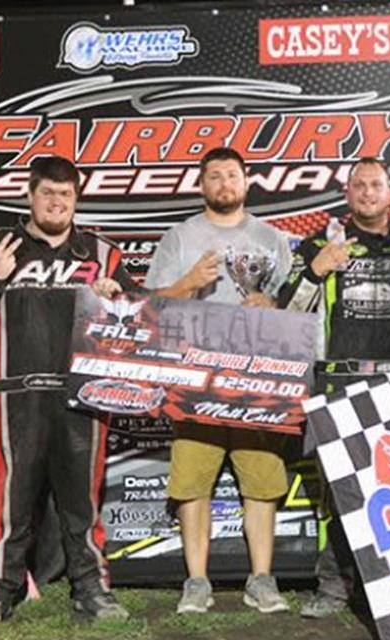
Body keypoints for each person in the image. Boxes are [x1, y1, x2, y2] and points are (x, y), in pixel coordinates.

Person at [278, 157, 390, 618]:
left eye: (376, 184)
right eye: (358, 185)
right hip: (335, 382)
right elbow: (285, 312)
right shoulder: (318, 245)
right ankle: (334, 586)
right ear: (347, 193)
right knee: (340, 491)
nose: (367, 192)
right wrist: (316, 270)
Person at [0, 155, 135, 625]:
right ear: (30, 196)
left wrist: (117, 300)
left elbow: (138, 323)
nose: (57, 202)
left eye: (66, 194)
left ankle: (91, 588)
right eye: (48, 193)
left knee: (82, 500)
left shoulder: (102, 254)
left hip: (84, 395)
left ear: (76, 199)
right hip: (15, 396)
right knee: (12, 502)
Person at [143, 147, 294, 615]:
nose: (224, 183)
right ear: (202, 184)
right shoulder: (180, 237)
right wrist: (188, 282)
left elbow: (297, 304)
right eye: (214, 176)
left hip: (258, 376)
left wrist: (273, 305)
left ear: (246, 182)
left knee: (262, 480)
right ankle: (196, 582)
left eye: (232, 174)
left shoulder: (272, 239)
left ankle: (261, 580)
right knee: (192, 482)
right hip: (195, 376)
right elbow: (151, 306)